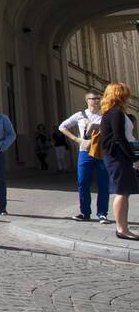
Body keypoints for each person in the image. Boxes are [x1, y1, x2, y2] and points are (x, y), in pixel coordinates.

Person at [59, 93, 109, 223]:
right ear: (87, 100)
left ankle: (102, 213)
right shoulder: (80, 115)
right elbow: (62, 127)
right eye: (93, 98)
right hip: (84, 152)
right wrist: (78, 140)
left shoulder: (105, 114)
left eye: (99, 98)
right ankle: (85, 212)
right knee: (83, 182)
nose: (97, 101)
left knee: (103, 183)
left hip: (100, 152)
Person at [98, 83, 139, 240]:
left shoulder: (113, 112)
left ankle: (123, 227)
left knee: (124, 192)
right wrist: (133, 158)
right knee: (121, 192)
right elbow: (119, 139)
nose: (128, 98)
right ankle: (122, 229)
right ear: (119, 95)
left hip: (118, 155)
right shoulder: (115, 113)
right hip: (117, 156)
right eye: (125, 95)